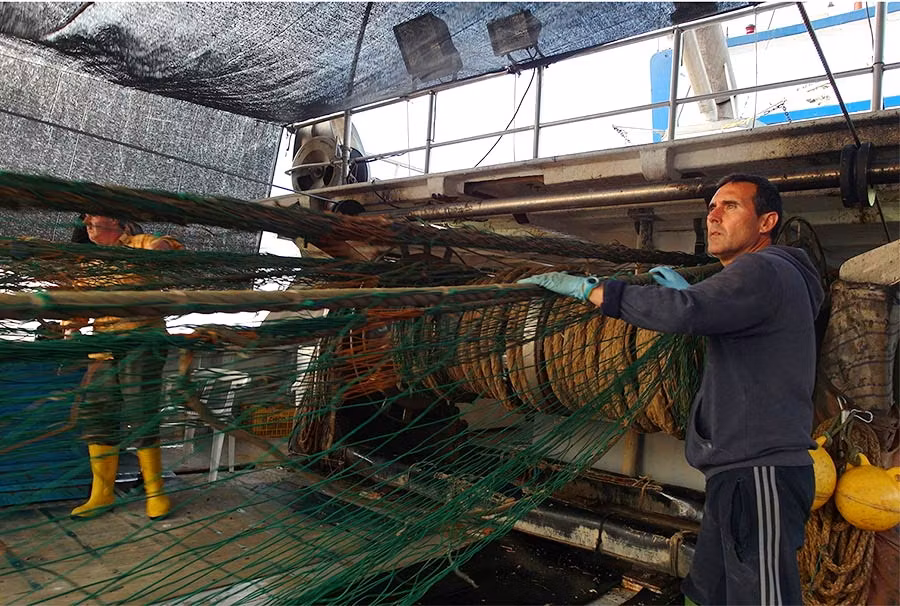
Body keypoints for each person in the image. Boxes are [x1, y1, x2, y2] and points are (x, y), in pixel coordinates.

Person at [520, 174, 824, 606]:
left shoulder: (763, 268)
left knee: (762, 598)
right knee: (708, 590)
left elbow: (689, 312)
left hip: (761, 470)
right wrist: (696, 295)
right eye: (711, 208)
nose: (713, 216)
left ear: (766, 222)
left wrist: (595, 291)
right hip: (736, 469)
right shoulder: (772, 277)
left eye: (731, 206)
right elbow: (719, 319)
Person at [67, 215, 183, 520]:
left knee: (140, 412)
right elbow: (77, 302)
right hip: (103, 348)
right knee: (99, 416)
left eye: (96, 219)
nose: (90, 224)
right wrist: (69, 327)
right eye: (87, 222)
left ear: (117, 222)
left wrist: (159, 248)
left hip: (142, 339)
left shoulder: (137, 244)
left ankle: (156, 492)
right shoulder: (87, 263)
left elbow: (168, 243)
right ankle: (101, 494)